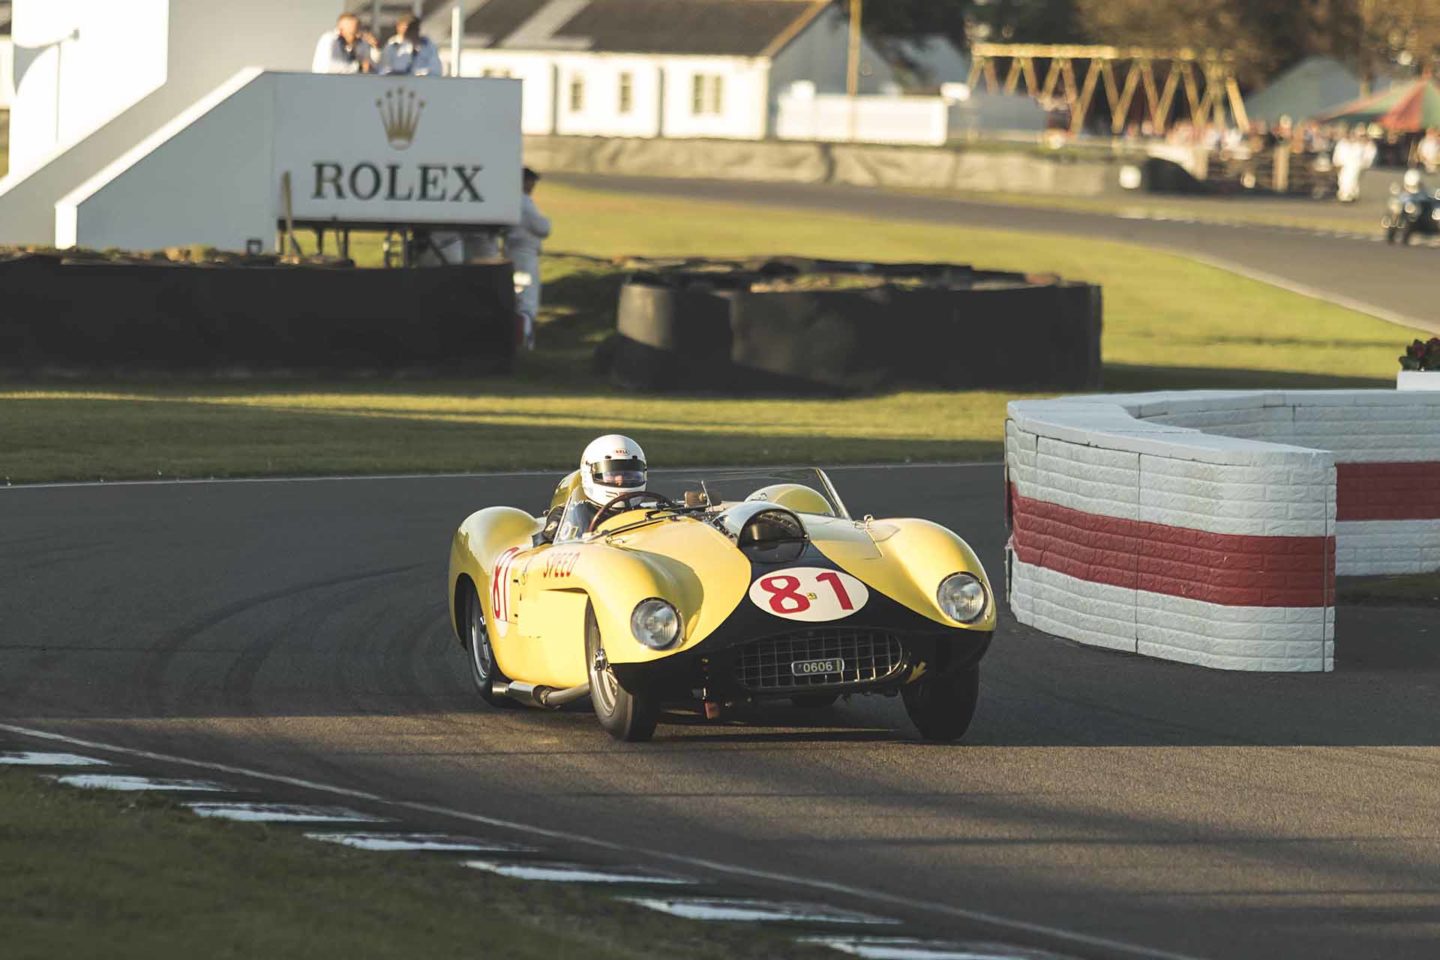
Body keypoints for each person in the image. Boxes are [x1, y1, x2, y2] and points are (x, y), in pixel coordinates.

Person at [546, 436, 648, 543]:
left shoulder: (649, 515)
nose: (620, 480)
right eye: (611, 474)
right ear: (588, 474)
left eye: (630, 474)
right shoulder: (570, 516)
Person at [505, 167, 551, 350]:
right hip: (524, 256)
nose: (533, 185)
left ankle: (522, 338)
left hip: (517, 253)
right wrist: (547, 221)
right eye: (531, 181)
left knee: (520, 297)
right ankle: (524, 340)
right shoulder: (523, 202)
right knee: (527, 299)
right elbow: (543, 228)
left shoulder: (514, 201)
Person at [311, 12, 379, 74]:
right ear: (341, 31)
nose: (357, 35)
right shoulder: (329, 39)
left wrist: (374, 48)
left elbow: (375, 68)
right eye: (353, 33)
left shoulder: (359, 42)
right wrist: (358, 67)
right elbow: (328, 67)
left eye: (359, 31)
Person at [1333, 125, 1376, 203]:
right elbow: (1337, 154)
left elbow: (1364, 156)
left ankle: (1350, 195)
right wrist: (1337, 163)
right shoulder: (1342, 144)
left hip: (1355, 166)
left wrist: (1364, 164)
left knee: (1353, 180)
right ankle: (1344, 195)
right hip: (1344, 166)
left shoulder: (1358, 145)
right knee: (1343, 180)